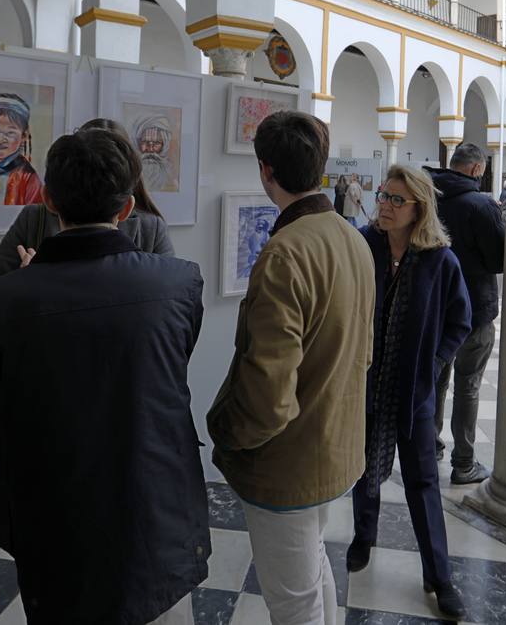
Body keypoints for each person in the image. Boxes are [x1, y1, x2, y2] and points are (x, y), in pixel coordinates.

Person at [0, 129, 208, 623]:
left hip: (50, 499)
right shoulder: (180, 281)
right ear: (126, 209)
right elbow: (170, 369)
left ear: (50, 200)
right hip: (150, 487)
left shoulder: (1, 300)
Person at [207, 111, 374, 625]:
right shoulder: (350, 236)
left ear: (265, 170)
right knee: (312, 568)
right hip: (335, 444)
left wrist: (227, 434)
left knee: (292, 600)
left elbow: (267, 393)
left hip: (289, 460)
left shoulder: (286, 253)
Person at [347, 165, 471, 620]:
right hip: (364, 382)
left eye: (397, 199)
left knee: (422, 482)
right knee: (363, 466)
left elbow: (461, 319)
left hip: (414, 389)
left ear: (419, 207)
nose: (385, 204)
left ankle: (439, 576)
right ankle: (365, 535)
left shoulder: (440, 260)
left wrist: (436, 362)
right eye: (384, 195)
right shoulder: (363, 246)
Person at [0, 118, 174, 288]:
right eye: (90, 161)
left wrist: (32, 282)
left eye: (109, 166)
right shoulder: (34, 219)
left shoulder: (151, 228)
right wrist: (25, 281)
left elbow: (166, 298)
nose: (96, 174)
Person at [425, 143, 504, 485]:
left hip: (435, 306)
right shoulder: (481, 204)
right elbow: (500, 259)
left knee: (437, 382)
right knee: (467, 386)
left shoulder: (427, 197)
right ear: (476, 170)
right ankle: (464, 463)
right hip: (474, 308)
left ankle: (429, 449)